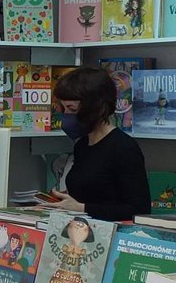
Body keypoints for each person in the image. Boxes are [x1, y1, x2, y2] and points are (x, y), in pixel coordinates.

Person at [48, 66, 151, 221]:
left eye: (72, 109)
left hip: (111, 231)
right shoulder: (82, 145)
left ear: (97, 108)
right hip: (81, 227)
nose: (66, 116)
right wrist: (62, 200)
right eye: (63, 108)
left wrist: (83, 208)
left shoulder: (124, 148)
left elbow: (139, 209)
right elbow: (91, 193)